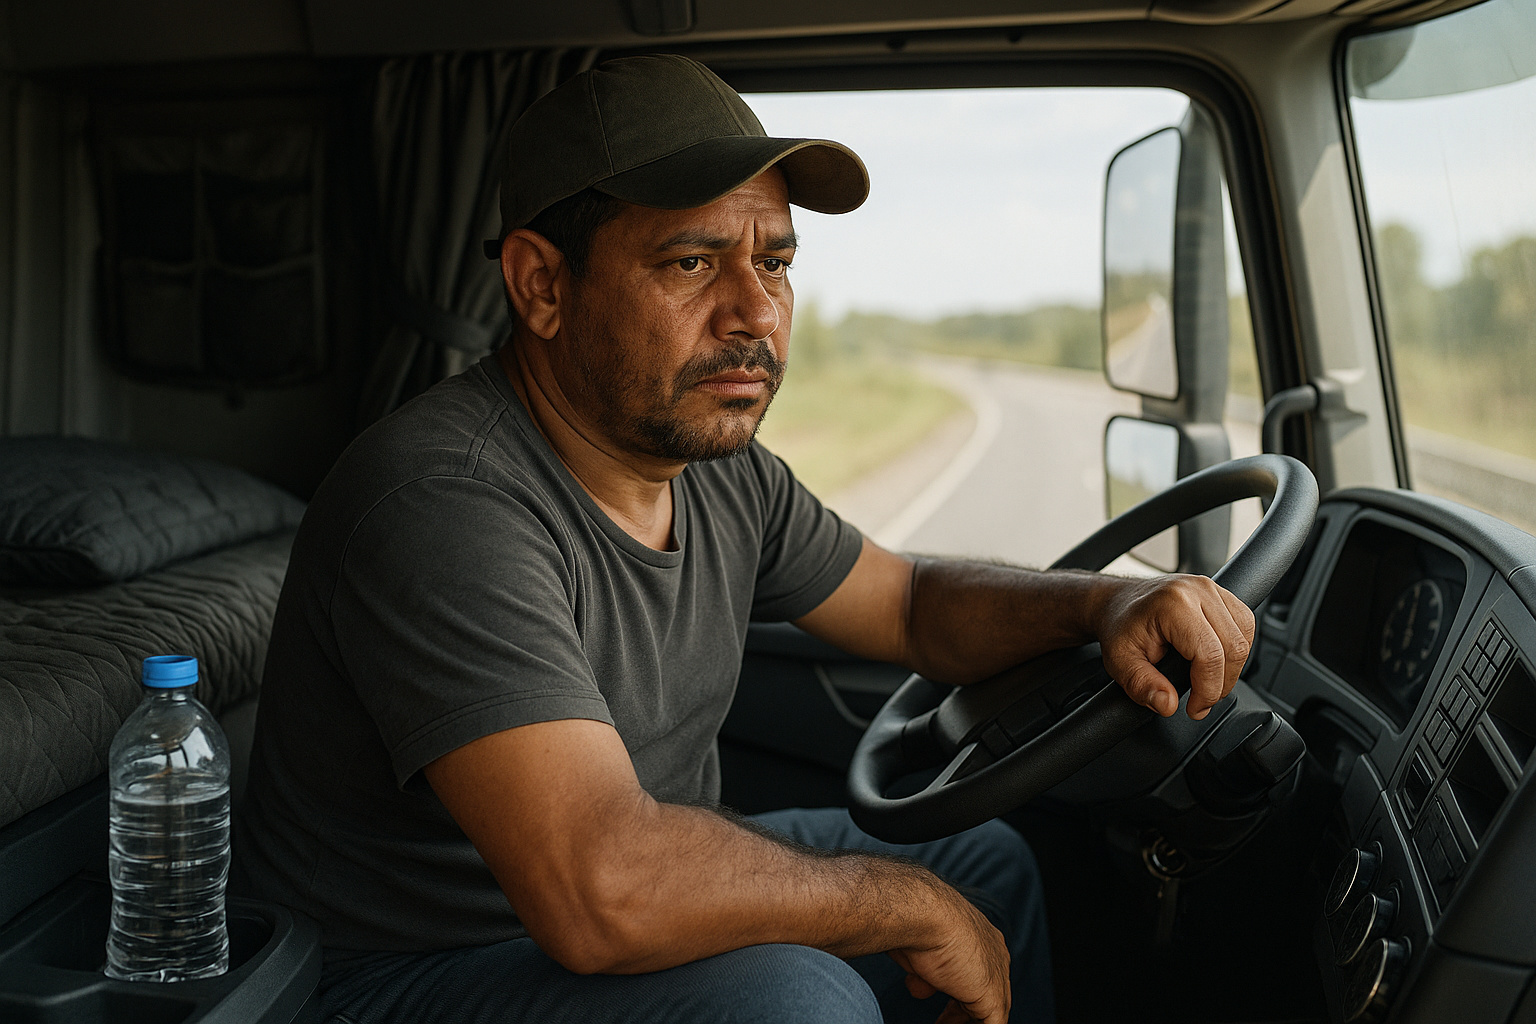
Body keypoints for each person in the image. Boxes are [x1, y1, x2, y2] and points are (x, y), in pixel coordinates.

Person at [236, 54, 1255, 1024]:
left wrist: (1101, 602)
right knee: (800, 1001)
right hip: (401, 976)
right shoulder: (440, 504)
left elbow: (907, 605)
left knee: (981, 864)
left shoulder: (715, 468)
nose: (757, 311)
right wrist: (899, 905)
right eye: (692, 261)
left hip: (586, 907)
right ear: (542, 286)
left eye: (774, 260)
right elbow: (602, 889)